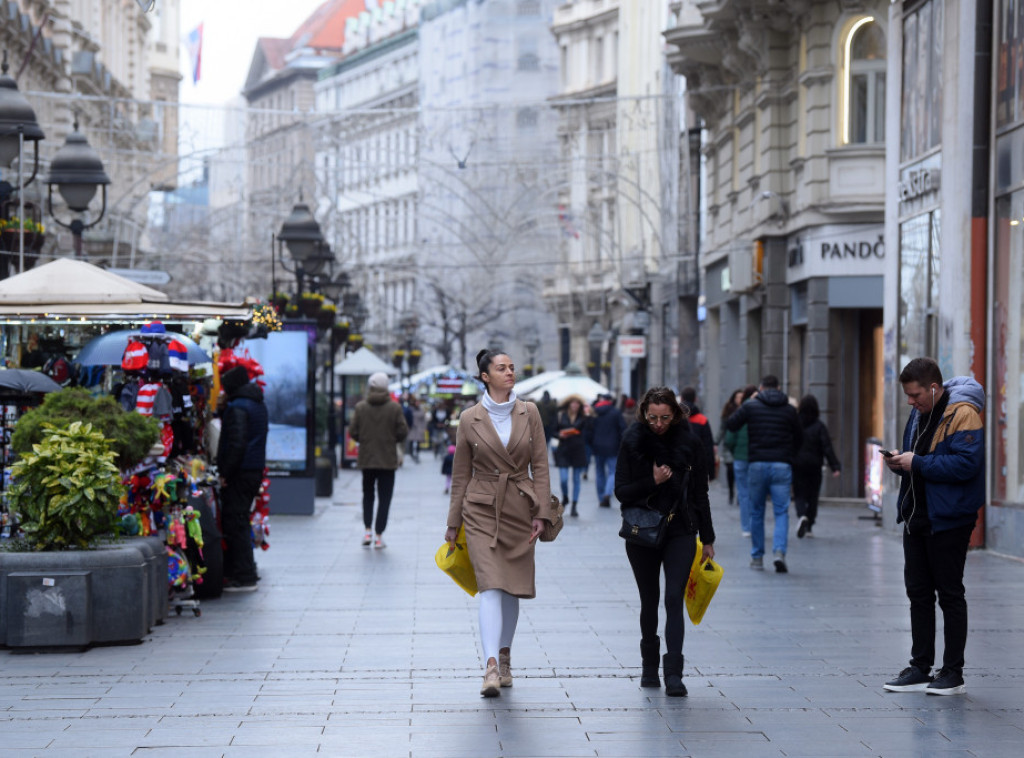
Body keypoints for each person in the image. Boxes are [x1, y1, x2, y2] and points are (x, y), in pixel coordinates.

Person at [445, 349, 556, 697]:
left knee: (513, 586)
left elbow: (540, 466)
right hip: (479, 509)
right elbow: (460, 474)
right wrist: (452, 523)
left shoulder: (530, 412)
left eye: (511, 367)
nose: (510, 372)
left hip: (520, 508)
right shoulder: (469, 418)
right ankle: (491, 665)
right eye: (501, 368)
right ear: (485, 376)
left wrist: (542, 513)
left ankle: (505, 656)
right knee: (491, 585)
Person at [883, 358, 985, 696]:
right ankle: (920, 667)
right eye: (907, 396)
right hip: (917, 515)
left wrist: (918, 462)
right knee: (919, 594)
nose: (910, 402)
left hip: (950, 518)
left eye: (914, 395)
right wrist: (901, 462)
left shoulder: (963, 414)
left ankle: (953, 672)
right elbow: (919, 460)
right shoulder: (919, 412)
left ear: (933, 387)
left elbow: (966, 465)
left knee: (950, 594)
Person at [615, 386, 716, 696]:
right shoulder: (632, 440)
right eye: (653, 417)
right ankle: (648, 668)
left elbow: (701, 493)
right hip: (641, 531)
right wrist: (653, 481)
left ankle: (674, 673)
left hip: (680, 530)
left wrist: (708, 538)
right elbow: (621, 491)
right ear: (645, 413)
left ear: (675, 415)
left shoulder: (690, 443)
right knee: (650, 599)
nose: (658, 424)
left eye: (665, 418)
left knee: (674, 598)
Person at [726, 375, 802, 573]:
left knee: (757, 511)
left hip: (757, 464)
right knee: (781, 511)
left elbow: (731, 424)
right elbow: (800, 436)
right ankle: (779, 552)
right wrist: (789, 455)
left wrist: (749, 403)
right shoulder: (789, 410)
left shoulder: (751, 406)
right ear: (778, 388)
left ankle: (757, 557)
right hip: (781, 465)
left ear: (760, 388)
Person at [216, 366, 269, 592]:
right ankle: (246, 570)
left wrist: (225, 472)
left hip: (241, 471)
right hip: (253, 469)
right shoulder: (257, 404)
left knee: (235, 520)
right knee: (240, 518)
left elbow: (236, 444)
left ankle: (244, 575)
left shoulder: (238, 408)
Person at [348, 372, 409, 549]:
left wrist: (364, 440)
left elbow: (353, 431)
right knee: (385, 498)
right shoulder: (394, 408)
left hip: (367, 459)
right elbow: (402, 431)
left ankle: (367, 531)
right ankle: (379, 536)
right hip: (387, 460)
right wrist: (390, 440)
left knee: (368, 495)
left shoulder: (361, 407)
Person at [792, 394, 841, 538]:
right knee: (813, 496)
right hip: (814, 466)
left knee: (799, 494)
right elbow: (827, 447)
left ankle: (802, 515)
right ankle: (809, 525)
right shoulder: (819, 426)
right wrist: (835, 466)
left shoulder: (795, 425)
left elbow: (789, 443)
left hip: (798, 464)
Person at [724, 385, 758, 537]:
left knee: (743, 494)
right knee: (755, 493)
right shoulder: (761, 411)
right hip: (756, 457)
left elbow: (730, 438)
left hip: (740, 458)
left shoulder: (740, 412)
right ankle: (755, 524)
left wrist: (735, 451)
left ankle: (746, 528)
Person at [586, 394, 626, 508]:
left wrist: (591, 443)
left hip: (597, 446)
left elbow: (589, 430)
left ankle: (601, 496)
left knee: (599, 472)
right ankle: (607, 493)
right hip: (613, 447)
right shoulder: (616, 412)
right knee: (612, 472)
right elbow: (622, 429)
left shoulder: (594, 412)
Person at [554, 394, 590, 516]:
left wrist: (588, 415)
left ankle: (574, 505)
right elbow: (552, 431)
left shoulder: (583, 416)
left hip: (578, 450)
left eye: (577, 403)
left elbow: (590, 429)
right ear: (569, 403)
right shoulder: (560, 415)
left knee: (576, 479)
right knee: (563, 479)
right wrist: (560, 435)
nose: (575, 405)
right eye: (573, 403)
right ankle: (565, 497)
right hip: (563, 450)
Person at [680, 387, 716, 482]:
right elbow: (708, 447)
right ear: (695, 399)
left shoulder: (674, 417)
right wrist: (711, 472)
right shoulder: (702, 419)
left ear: (682, 399)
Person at [716, 388, 744, 504]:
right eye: (738, 397)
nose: (739, 400)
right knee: (730, 469)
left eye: (741, 397)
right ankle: (731, 492)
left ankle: (739, 493)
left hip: (739, 444)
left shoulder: (746, 409)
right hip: (728, 444)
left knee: (739, 470)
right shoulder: (728, 410)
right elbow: (722, 428)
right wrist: (716, 441)